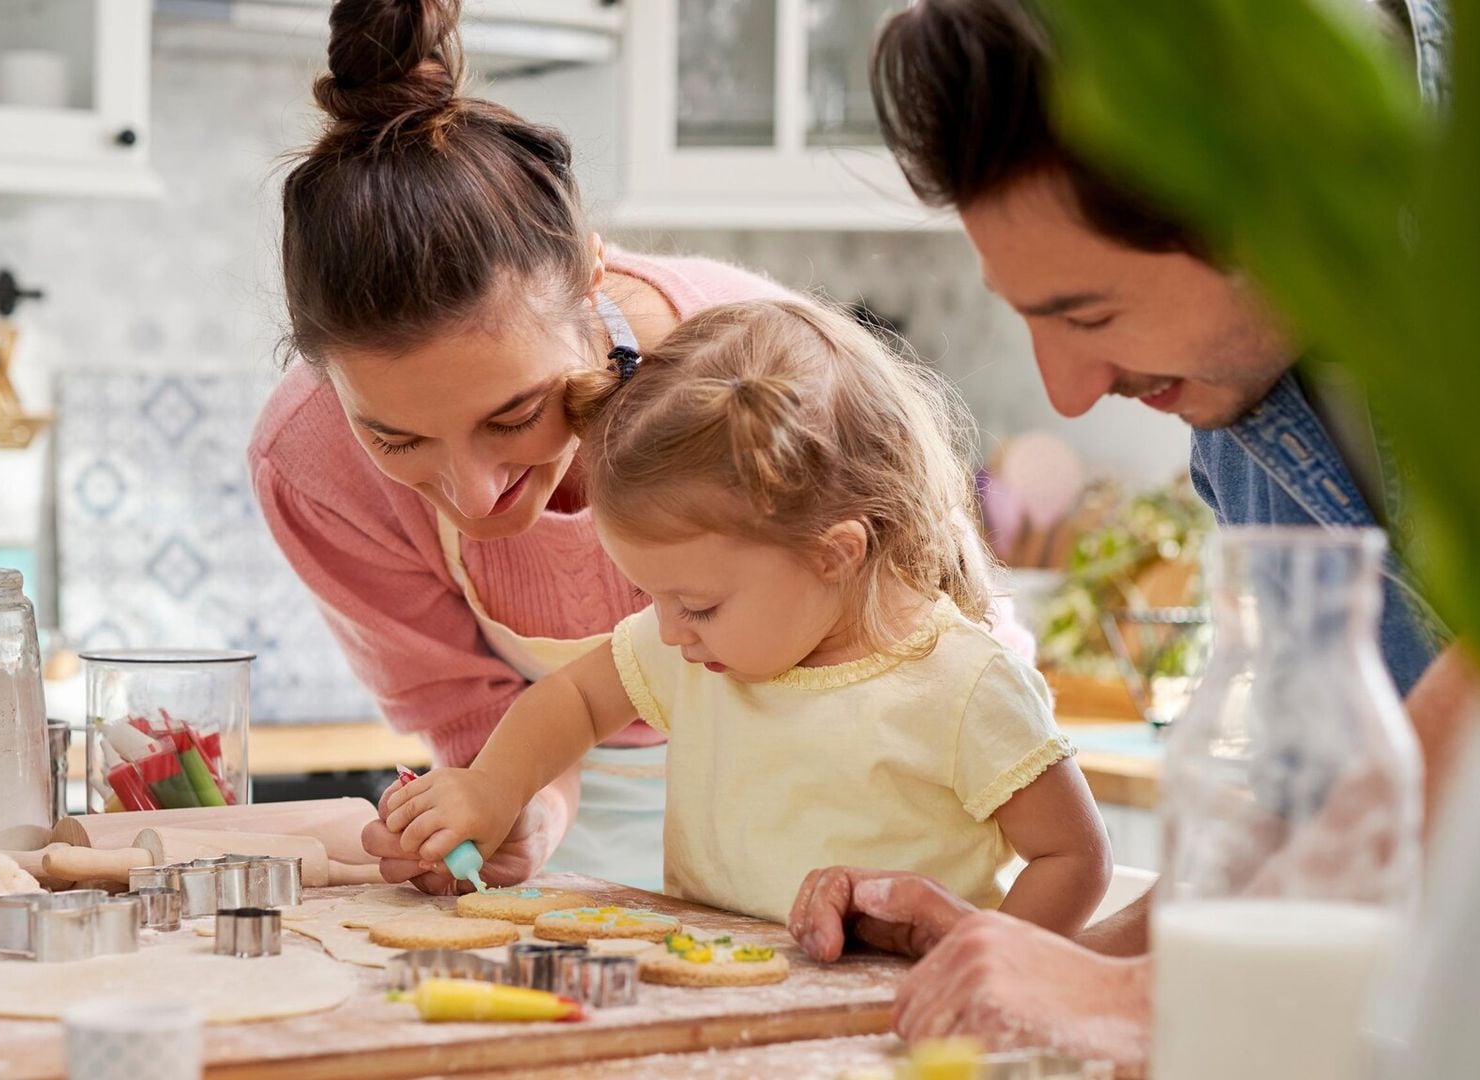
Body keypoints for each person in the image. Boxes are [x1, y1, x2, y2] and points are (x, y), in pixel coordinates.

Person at [788, 0, 1480, 1066]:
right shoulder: (1245, 381)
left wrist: (1153, 998)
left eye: (1089, 313)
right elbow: (1331, 803)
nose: (1067, 393)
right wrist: (1075, 961)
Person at [384, 299, 1111, 930]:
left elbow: (1074, 855)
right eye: (652, 599)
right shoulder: (697, 652)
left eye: (696, 605)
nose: (668, 630)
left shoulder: (962, 686)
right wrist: (493, 786)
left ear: (835, 553)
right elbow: (571, 699)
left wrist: (988, 959)